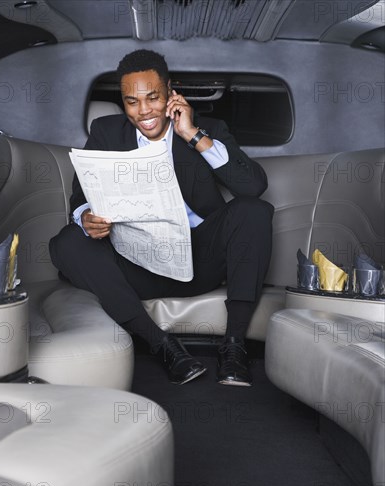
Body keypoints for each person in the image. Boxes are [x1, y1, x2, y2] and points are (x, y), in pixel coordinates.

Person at [50, 49, 273, 387]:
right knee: (67, 240)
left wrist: (192, 135)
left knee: (253, 212)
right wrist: (87, 219)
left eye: (153, 98)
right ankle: (162, 346)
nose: (143, 111)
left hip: (199, 261)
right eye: (131, 102)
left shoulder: (206, 129)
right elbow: (80, 199)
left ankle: (234, 346)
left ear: (171, 93)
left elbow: (253, 186)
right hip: (134, 263)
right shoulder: (107, 133)